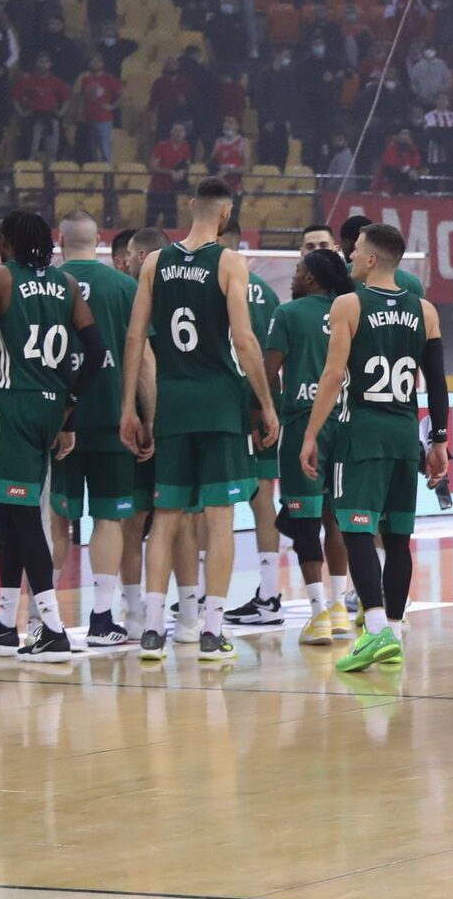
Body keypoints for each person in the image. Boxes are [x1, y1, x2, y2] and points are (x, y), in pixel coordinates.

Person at [120, 178, 279, 661]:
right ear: (227, 215)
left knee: (166, 516)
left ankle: (151, 631)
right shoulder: (231, 262)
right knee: (220, 517)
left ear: (190, 207)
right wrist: (267, 403)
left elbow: (134, 339)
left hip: (172, 402)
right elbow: (246, 342)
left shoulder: (154, 261)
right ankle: (212, 631)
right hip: (219, 402)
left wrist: (129, 406)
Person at [0, 210, 106, 662]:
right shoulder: (66, 284)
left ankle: (52, 629)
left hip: (13, 405)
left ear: (8, 242)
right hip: (50, 406)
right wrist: (70, 411)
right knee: (12, 512)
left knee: (19, 520)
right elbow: (95, 351)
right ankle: (4, 624)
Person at [300, 222, 450, 672]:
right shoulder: (425, 310)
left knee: (356, 529)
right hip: (405, 432)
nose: (349, 258)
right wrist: (439, 439)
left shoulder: (348, 303)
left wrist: (310, 434)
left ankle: (378, 630)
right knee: (399, 537)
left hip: (360, 429)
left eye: (355, 251)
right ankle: (395, 636)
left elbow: (331, 376)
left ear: (369, 259)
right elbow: (437, 382)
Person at [51, 211, 142, 646]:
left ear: (59, 240)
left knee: (56, 518)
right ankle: (102, 618)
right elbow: (141, 357)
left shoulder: (44, 285)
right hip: (111, 418)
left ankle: (45, 618)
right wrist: (145, 415)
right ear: (101, 241)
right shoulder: (124, 286)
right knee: (108, 518)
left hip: (56, 419)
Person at [261, 247, 356, 645]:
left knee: (304, 519)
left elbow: (269, 372)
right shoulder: (352, 310)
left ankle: (317, 614)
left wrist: (269, 409)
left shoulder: (288, 313)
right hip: (346, 421)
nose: (294, 277)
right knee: (335, 518)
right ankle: (339, 610)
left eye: (299, 270)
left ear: (313, 278)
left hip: (304, 421)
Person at [219, 219, 287, 629]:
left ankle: (202, 597)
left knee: (214, 503)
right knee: (263, 500)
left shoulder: (213, 280)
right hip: (264, 402)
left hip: (223, 404)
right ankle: (269, 592)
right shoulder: (267, 292)